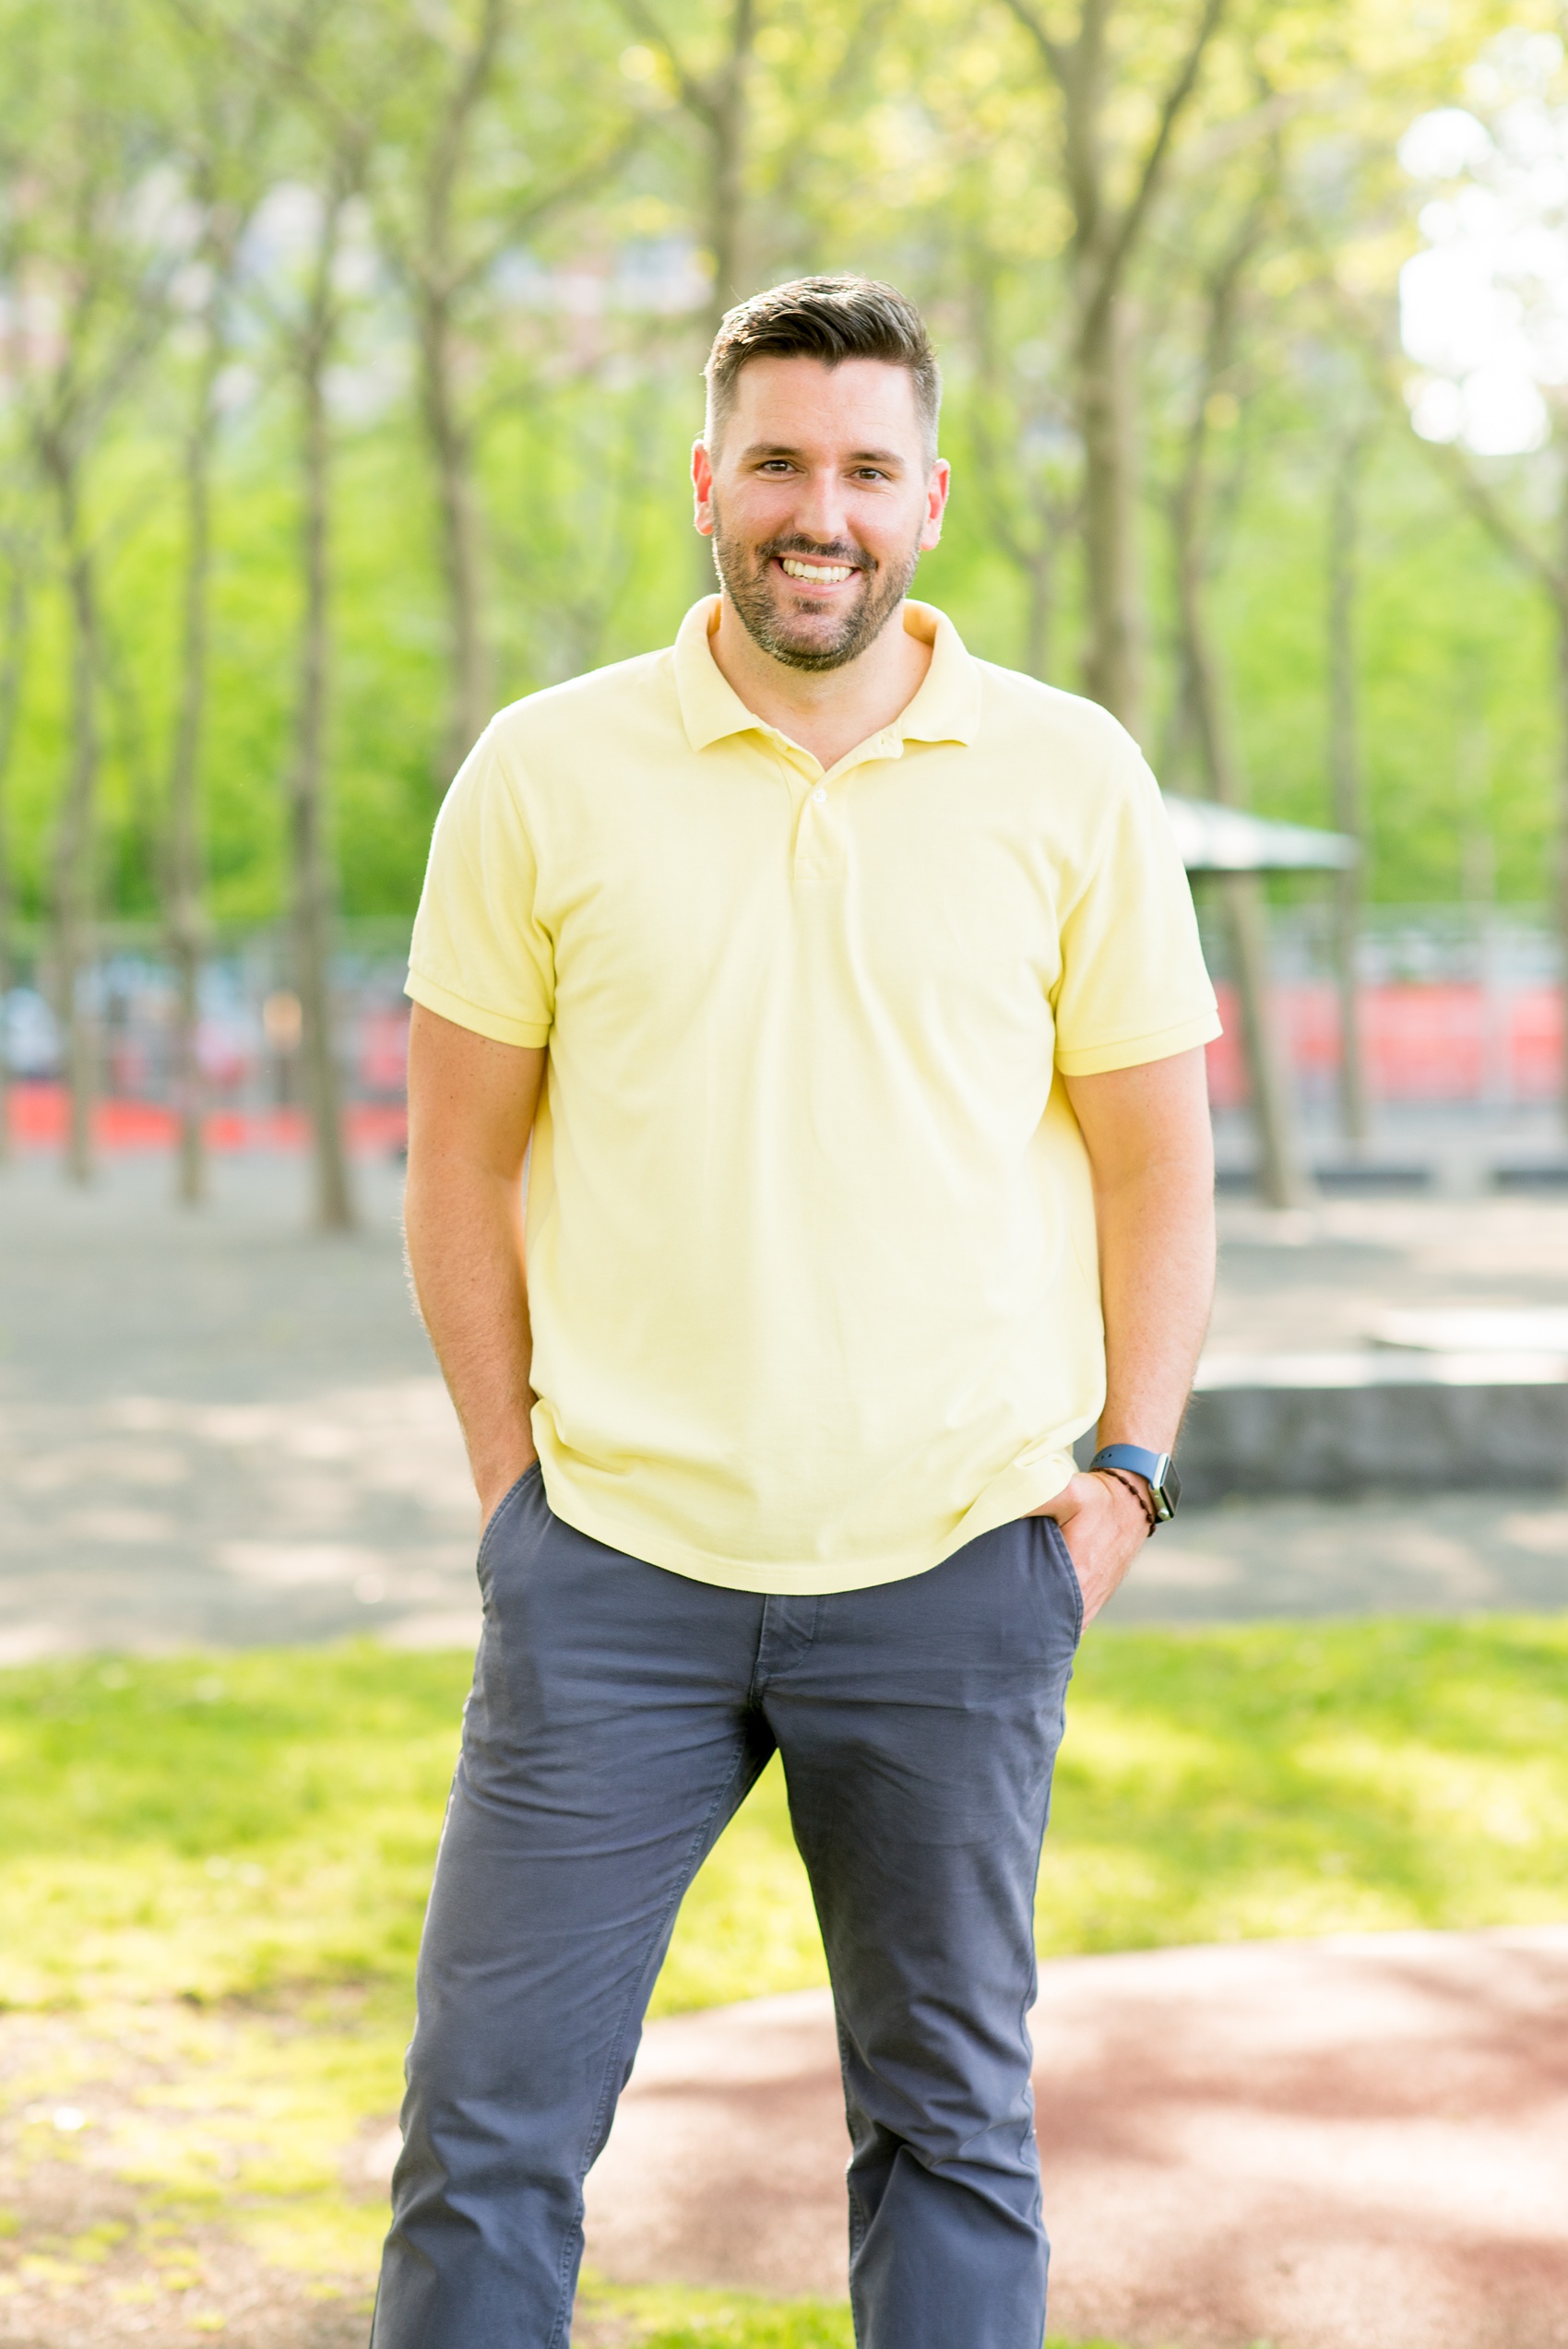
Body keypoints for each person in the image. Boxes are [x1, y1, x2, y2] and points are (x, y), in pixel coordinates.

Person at [371, 275, 1218, 2349]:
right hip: (615, 1572)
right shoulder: (542, 769)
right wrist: (515, 1496)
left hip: (955, 1565)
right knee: (486, 2139)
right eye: (774, 459)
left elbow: (1153, 1160)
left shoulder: (1070, 774)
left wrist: (1123, 1477)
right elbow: (458, 1155)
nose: (812, 508)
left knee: (946, 2133)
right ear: (704, 483)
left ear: (927, 497)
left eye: (858, 466)